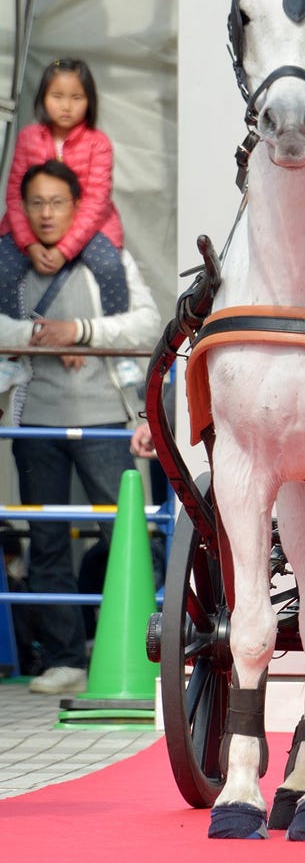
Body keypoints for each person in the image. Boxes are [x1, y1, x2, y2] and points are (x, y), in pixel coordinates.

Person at [0, 160, 161, 695]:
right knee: (46, 540)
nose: (47, 213)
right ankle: (64, 658)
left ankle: (144, 648)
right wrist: (44, 336)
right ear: (23, 210)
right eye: (37, 203)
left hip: (105, 420)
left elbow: (146, 322)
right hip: (35, 423)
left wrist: (81, 332)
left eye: (57, 202)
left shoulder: (107, 259)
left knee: (127, 534)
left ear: (77, 206)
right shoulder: (9, 262)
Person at [0, 57, 128, 319]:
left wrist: (64, 249)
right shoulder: (28, 138)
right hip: (32, 224)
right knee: (4, 267)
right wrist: (30, 245)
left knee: (109, 266)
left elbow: (96, 203)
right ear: (43, 97)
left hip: (89, 227)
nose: (66, 106)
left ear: (89, 101)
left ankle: (116, 347)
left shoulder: (98, 143)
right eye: (57, 96)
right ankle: (9, 350)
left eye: (76, 97)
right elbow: (15, 196)